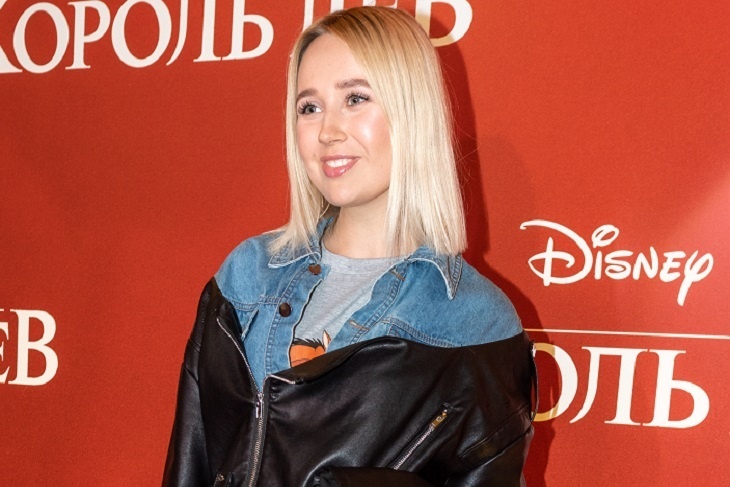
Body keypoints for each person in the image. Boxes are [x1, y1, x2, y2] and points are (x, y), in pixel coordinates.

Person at [162, 6, 535, 487]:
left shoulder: (474, 321)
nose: (327, 132)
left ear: (411, 111)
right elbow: (191, 460)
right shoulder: (247, 275)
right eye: (309, 107)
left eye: (355, 99)